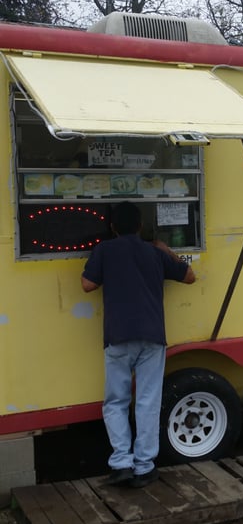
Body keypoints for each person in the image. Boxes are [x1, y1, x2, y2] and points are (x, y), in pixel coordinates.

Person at [81, 201, 195, 488]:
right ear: (140, 226)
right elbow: (190, 276)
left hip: (118, 336)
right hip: (152, 336)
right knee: (147, 402)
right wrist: (166, 250)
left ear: (112, 227)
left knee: (116, 401)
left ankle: (121, 463)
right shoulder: (154, 252)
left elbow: (87, 285)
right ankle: (144, 467)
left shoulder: (105, 250)